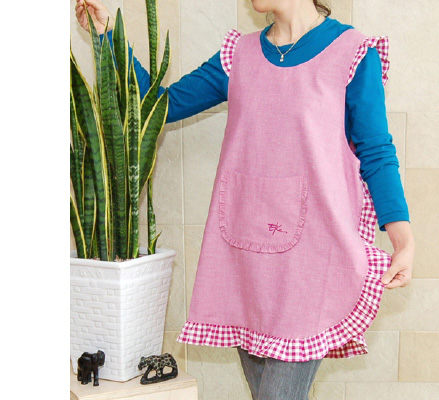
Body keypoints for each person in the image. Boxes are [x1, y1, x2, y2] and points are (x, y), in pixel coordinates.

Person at [75, 0, 415, 398]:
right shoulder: (239, 54)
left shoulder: (351, 52)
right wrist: (108, 36)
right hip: (244, 258)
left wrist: (403, 240)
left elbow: (376, 151)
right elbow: (161, 105)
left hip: (312, 262)